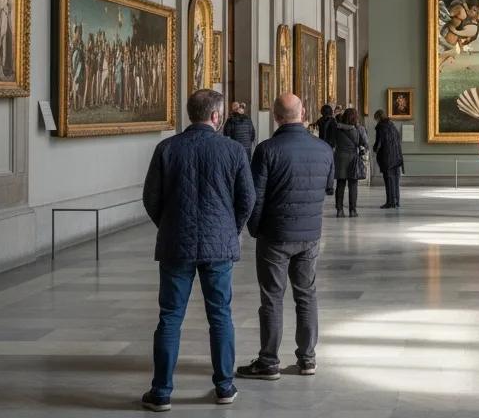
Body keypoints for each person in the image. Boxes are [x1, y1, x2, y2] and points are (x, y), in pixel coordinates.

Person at [140, 88, 255, 412]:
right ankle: (224, 386)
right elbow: (247, 199)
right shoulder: (233, 150)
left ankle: (161, 391)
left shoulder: (167, 148)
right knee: (220, 316)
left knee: (170, 317)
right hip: (218, 246)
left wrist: (168, 225)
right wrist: (230, 231)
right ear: (217, 117)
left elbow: (150, 198)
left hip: (176, 244)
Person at [238, 93, 335, 381]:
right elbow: (328, 188)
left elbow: (255, 198)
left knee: (272, 297)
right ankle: (307, 359)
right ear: (303, 113)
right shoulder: (323, 149)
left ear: (276, 117)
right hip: (310, 234)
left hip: (275, 234)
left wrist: (254, 229)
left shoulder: (267, 150)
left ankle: (269, 361)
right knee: (306, 295)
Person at [326, 107, 369, 217]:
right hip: (353, 158)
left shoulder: (337, 128)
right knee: (353, 185)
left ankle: (339, 210)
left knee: (340, 185)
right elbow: (366, 144)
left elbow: (331, 142)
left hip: (340, 157)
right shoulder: (359, 129)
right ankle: (352, 210)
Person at [373, 109, 404, 209]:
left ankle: (390, 202)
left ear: (378, 118)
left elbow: (379, 143)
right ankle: (396, 201)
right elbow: (398, 140)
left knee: (388, 180)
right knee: (395, 180)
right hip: (397, 157)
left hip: (387, 157)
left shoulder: (381, 127)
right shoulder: (392, 126)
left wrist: (375, 149)